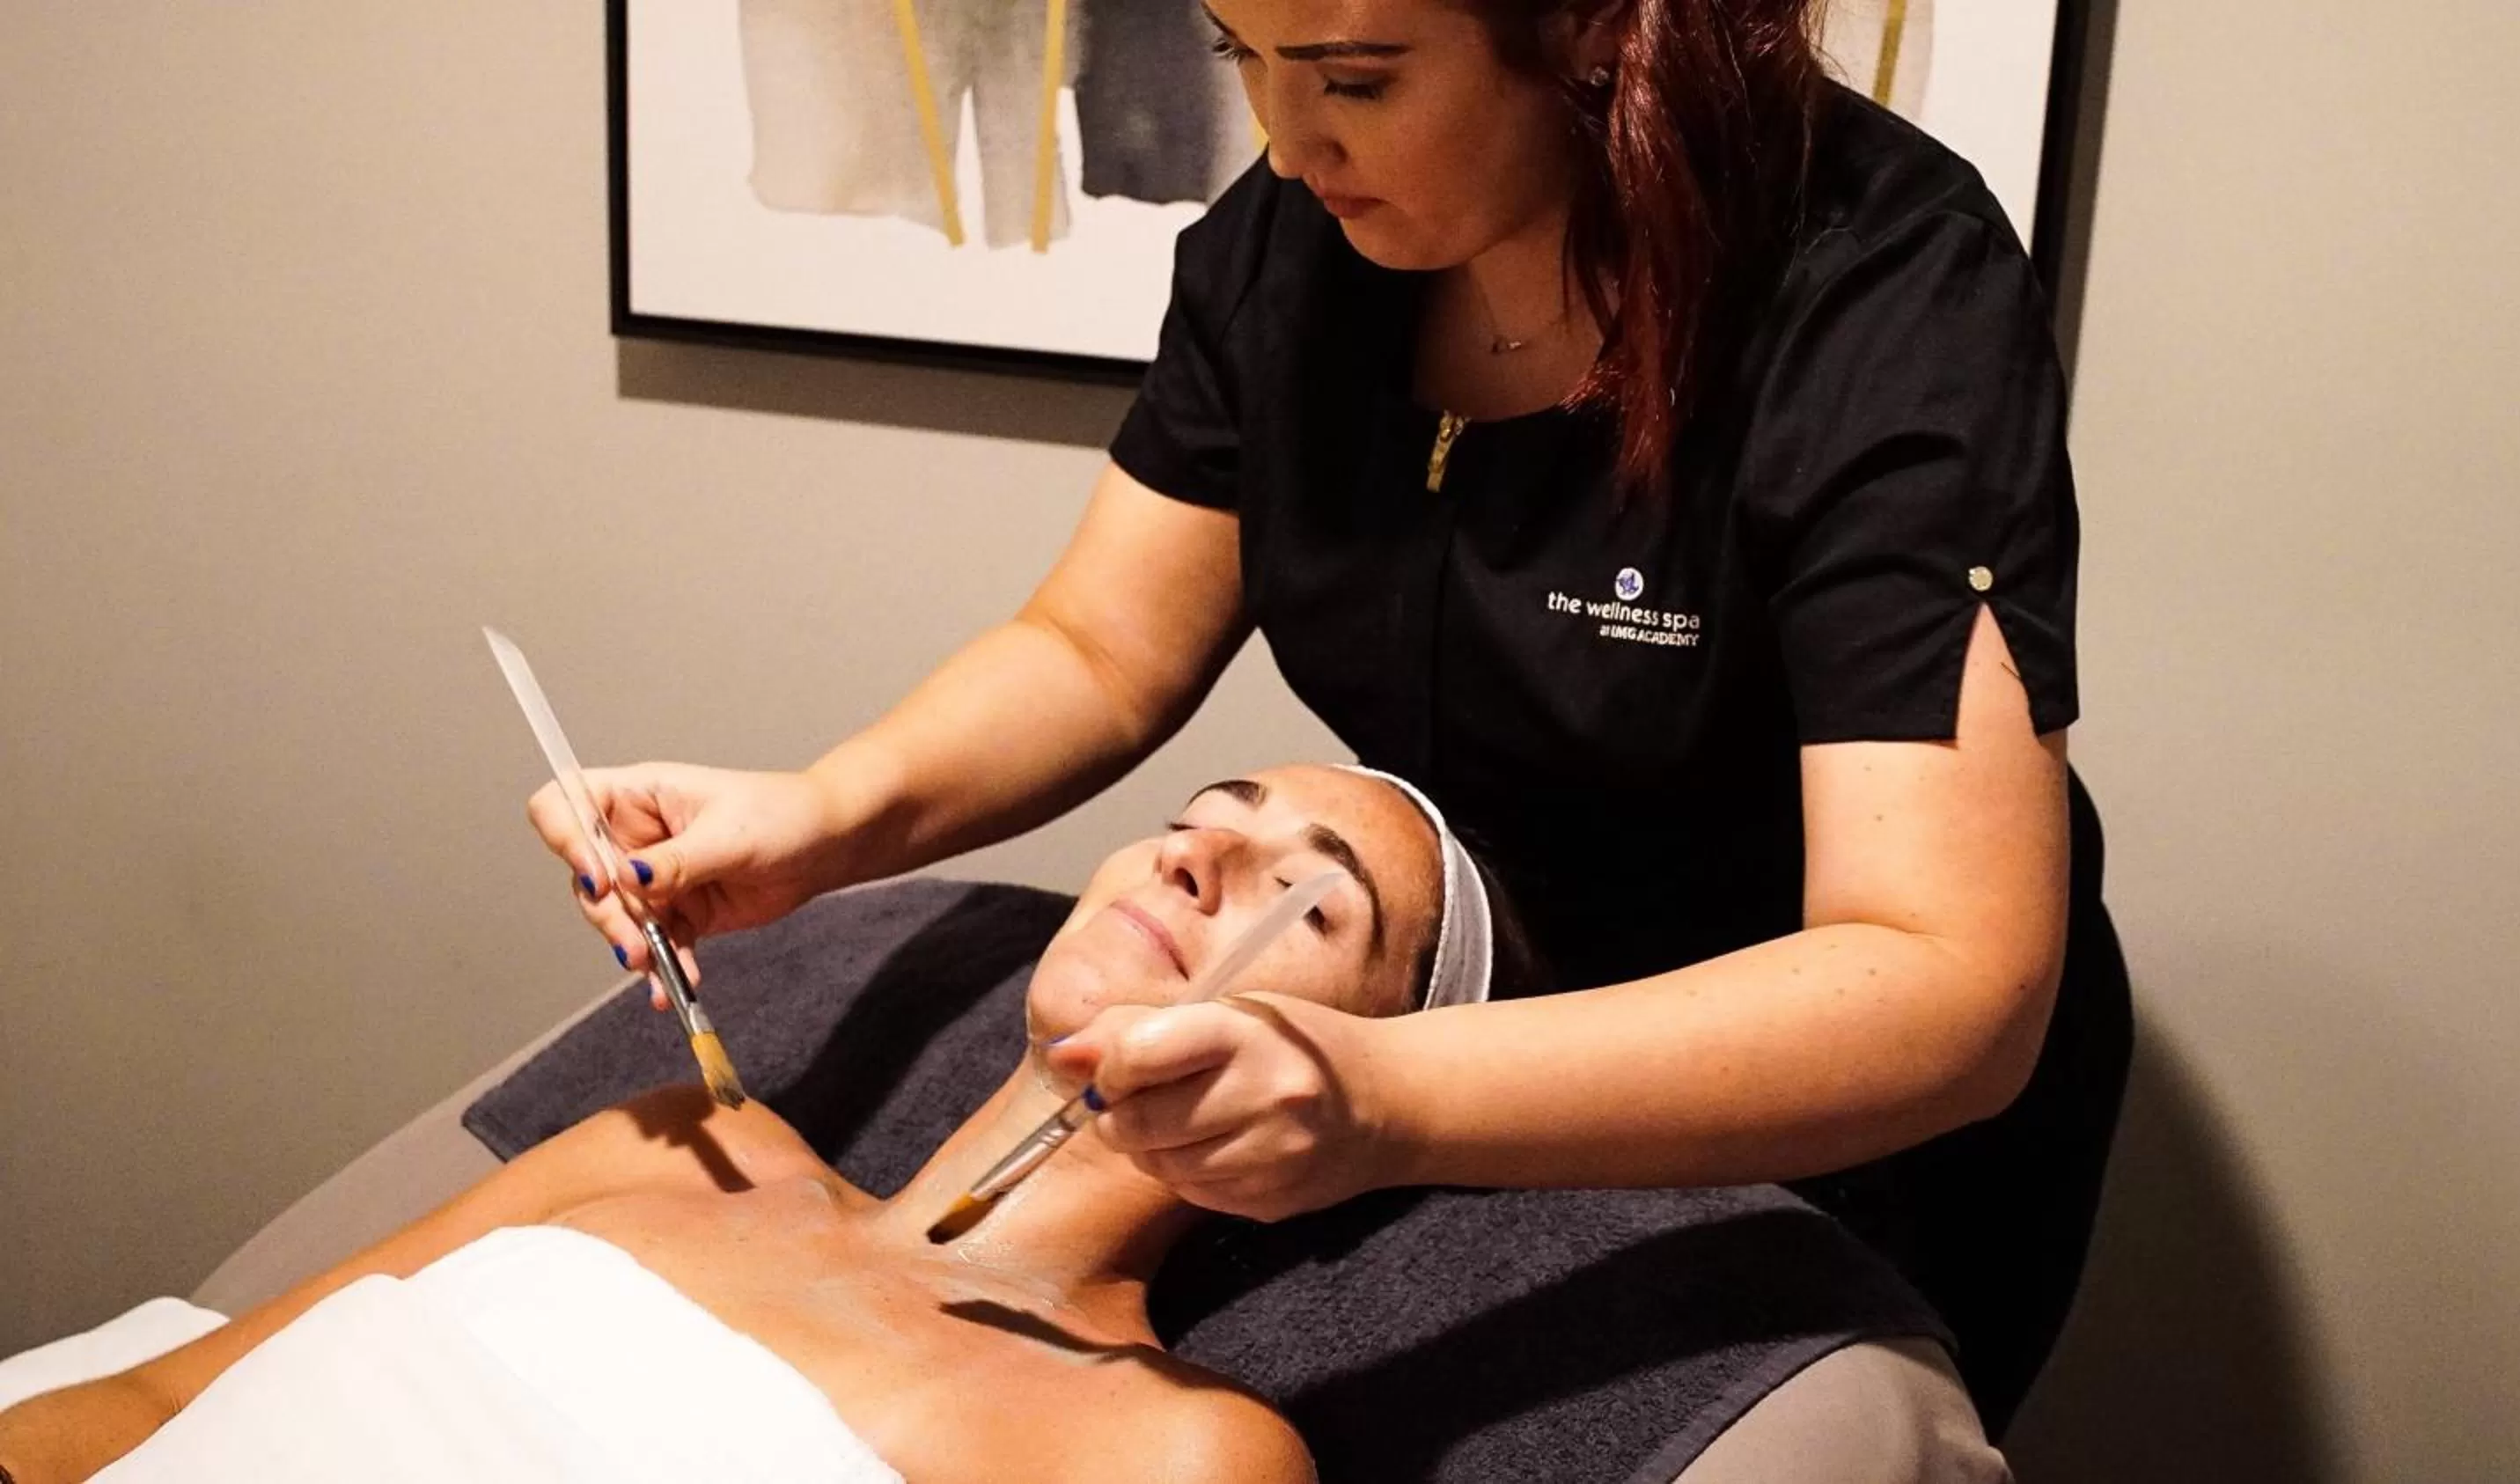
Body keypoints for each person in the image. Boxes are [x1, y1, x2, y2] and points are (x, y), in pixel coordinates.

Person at [540, 0, 2131, 1435]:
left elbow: (1943, 981)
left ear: (1591, 26)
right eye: (1244, 55)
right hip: (1419, 1020)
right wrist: (823, 816)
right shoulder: (1295, 248)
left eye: (1354, 76)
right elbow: (1098, 646)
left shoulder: (1869, 292)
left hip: (1825, 1094)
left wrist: (1383, 1102)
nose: (1287, 143)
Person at [0, 768, 1473, 1484]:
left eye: (1309, 896)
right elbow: (150, 1403)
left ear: (1363, 1083)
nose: (1206, 854)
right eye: (1202, 814)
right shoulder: (692, 1147)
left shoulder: (1181, 1451)